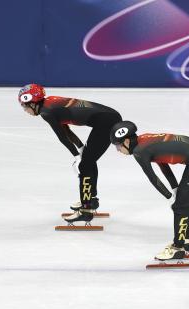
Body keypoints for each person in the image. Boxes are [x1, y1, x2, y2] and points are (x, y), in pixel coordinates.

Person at [109, 121, 189, 260]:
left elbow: (153, 178)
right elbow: (162, 163)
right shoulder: (144, 139)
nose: (118, 151)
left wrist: (170, 197)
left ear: (127, 141)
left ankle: (178, 247)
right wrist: (175, 188)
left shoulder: (139, 152)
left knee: (180, 204)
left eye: (118, 146)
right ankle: (186, 240)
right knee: (185, 199)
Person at [18, 84, 122, 223]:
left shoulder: (46, 112)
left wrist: (77, 157)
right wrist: (80, 148)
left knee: (85, 165)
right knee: (88, 160)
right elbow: (66, 131)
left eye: (25, 106)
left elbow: (61, 136)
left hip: (106, 122)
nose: (25, 110)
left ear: (33, 102)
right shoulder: (50, 104)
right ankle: (90, 200)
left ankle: (86, 210)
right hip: (108, 117)